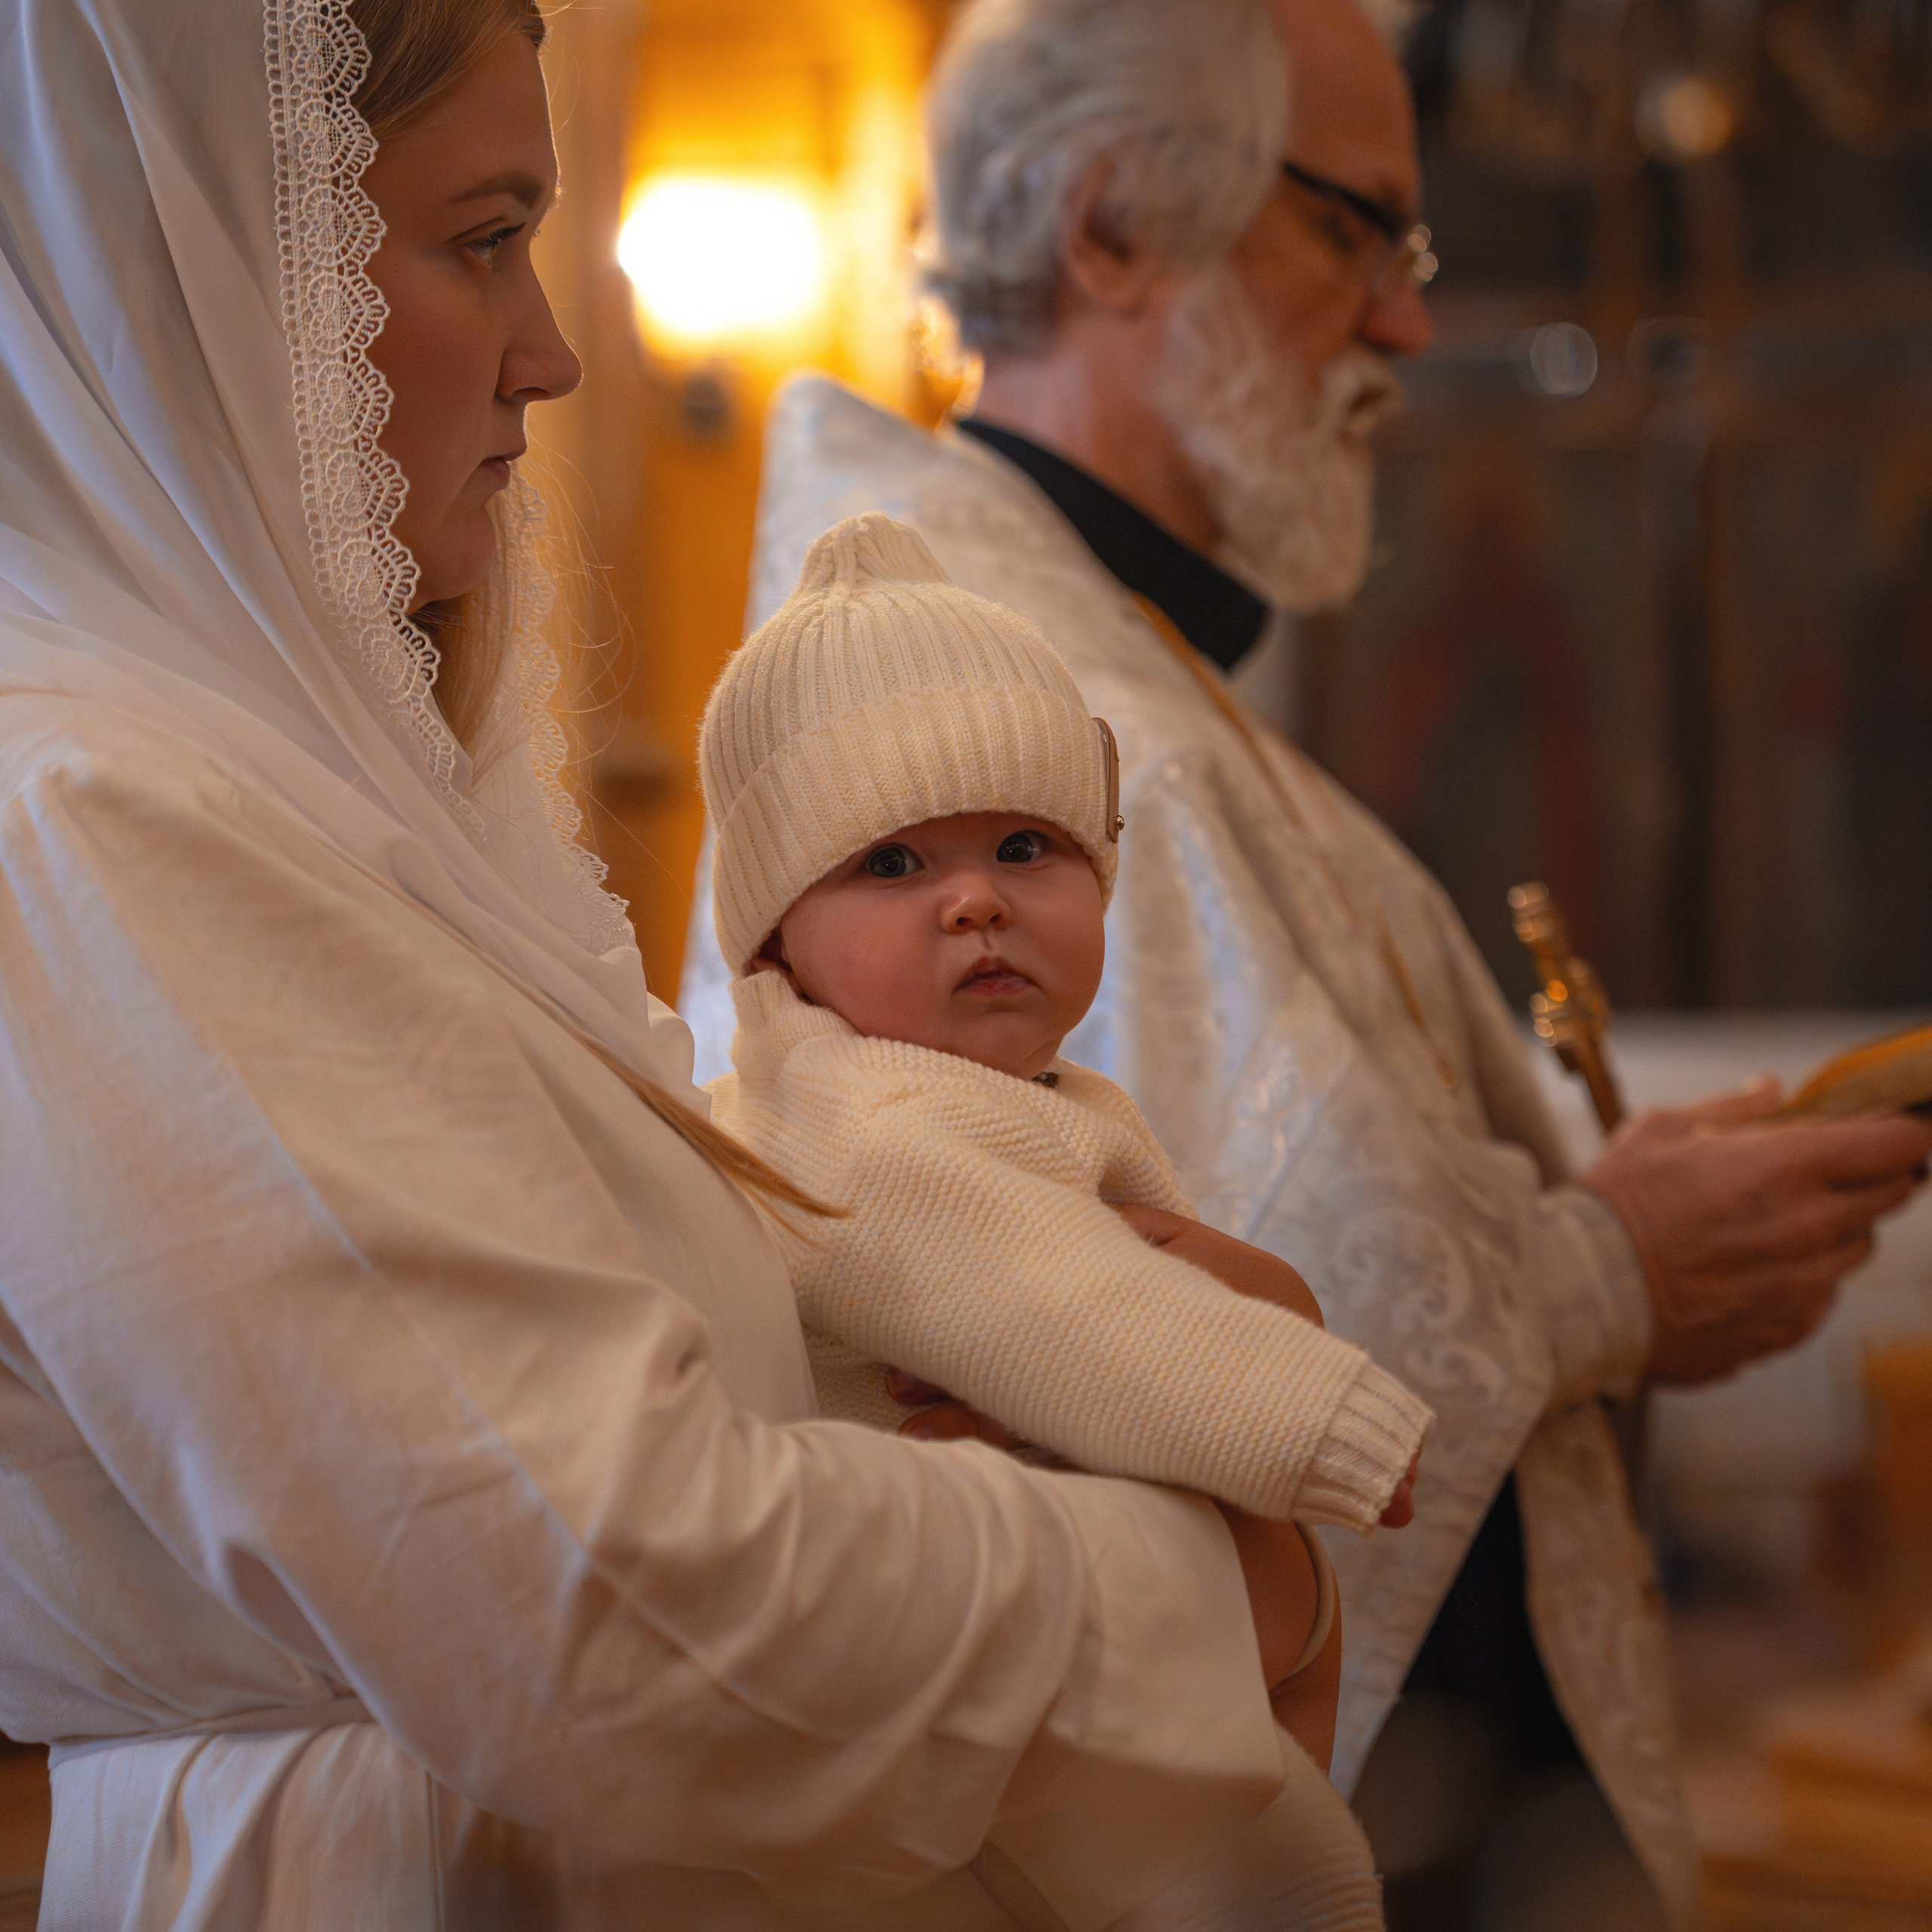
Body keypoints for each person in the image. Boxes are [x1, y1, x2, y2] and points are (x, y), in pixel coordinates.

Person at [0, 2, 1355, 1926]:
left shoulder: (256, 796)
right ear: (199, 268)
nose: (554, 353)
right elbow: (604, 1594)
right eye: (482, 237)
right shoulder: (94, 812)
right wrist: (1215, 1567)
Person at [677, 0, 1932, 1920]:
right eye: (1357, 228)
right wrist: (1606, 1267)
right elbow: (1116, 1324)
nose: (1403, 324)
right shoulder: (975, 698)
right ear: (1106, 234)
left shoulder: (1115, 656)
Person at [700, 507, 1433, 1931]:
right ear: (772, 935)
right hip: (953, 1663)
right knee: (1274, 1878)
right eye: (892, 865)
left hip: (1074, 1627)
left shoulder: (1030, 1091)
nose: (975, 900)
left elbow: (1141, 1296)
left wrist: (1256, 1312)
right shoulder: (859, 1120)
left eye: (1026, 845)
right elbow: (1074, 1312)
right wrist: (1324, 1418)